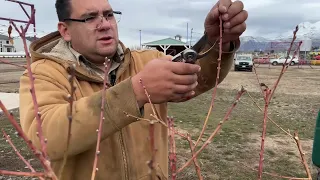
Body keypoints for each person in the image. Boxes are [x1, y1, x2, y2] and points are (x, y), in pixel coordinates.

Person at [19, 0, 247, 179]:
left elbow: (200, 76)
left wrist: (216, 41)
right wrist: (136, 92)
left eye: (108, 15)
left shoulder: (146, 61)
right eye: (89, 18)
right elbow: (45, 137)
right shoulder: (44, 73)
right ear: (65, 30)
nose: (105, 24)